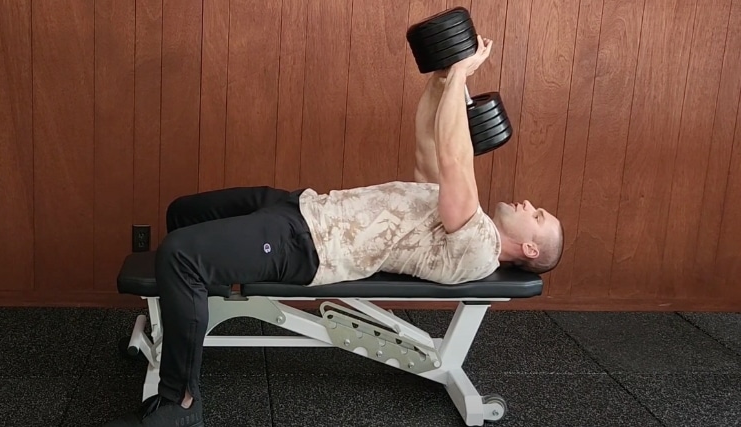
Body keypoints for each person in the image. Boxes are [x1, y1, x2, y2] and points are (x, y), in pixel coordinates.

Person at [104, 35, 563, 427]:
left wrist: (463, 74)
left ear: (527, 247)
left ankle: (180, 402)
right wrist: (441, 77)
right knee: (184, 212)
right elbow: (431, 144)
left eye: (538, 215)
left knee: (179, 255)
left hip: (308, 244)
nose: (529, 204)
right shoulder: (462, 215)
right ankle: (194, 315)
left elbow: (454, 157)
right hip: (303, 206)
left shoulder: (479, 246)